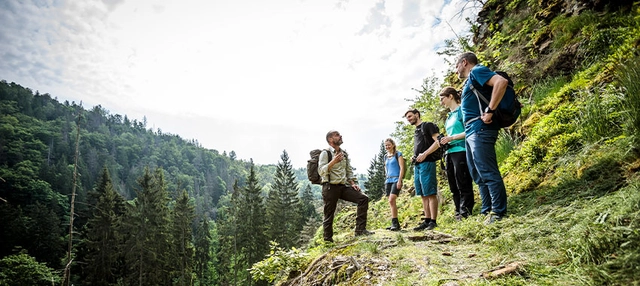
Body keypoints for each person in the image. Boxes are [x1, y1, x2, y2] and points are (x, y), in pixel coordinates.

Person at [455, 51, 508, 224]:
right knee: (477, 173)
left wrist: (490, 111)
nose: (456, 71)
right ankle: (486, 211)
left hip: (480, 127)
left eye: (456, 66)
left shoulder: (476, 71)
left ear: (464, 62)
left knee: (487, 170)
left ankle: (498, 212)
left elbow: (501, 82)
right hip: (471, 130)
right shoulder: (470, 80)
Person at [318, 130, 373, 242]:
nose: (340, 136)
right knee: (329, 214)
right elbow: (321, 171)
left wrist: (353, 183)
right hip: (330, 187)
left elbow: (348, 171)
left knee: (363, 199)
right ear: (330, 140)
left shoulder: (344, 154)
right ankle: (328, 241)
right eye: (337, 135)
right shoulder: (325, 153)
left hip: (343, 186)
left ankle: (360, 231)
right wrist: (333, 162)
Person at [439, 87, 474, 220]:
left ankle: (466, 211)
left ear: (450, 97)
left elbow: (469, 130)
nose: (441, 102)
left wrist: (452, 138)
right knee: (453, 185)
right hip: (449, 152)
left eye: (442, 99)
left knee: (463, 182)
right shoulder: (449, 117)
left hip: (461, 150)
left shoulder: (461, 111)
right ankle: (458, 211)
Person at [404, 109, 441, 231]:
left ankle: (433, 221)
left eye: (410, 116)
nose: (409, 119)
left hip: (428, 163)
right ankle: (426, 220)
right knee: (422, 194)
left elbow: (438, 141)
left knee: (430, 193)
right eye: (407, 118)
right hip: (418, 165)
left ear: (417, 114)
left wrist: (425, 154)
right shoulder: (416, 131)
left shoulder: (428, 125)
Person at [383, 138, 405, 231]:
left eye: (389, 145)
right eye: (386, 145)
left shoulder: (398, 154)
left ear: (393, 145)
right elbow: (386, 168)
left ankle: (395, 223)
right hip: (388, 180)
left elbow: (402, 168)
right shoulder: (385, 156)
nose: (387, 147)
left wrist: (400, 180)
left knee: (392, 199)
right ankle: (395, 223)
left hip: (396, 179)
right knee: (391, 202)